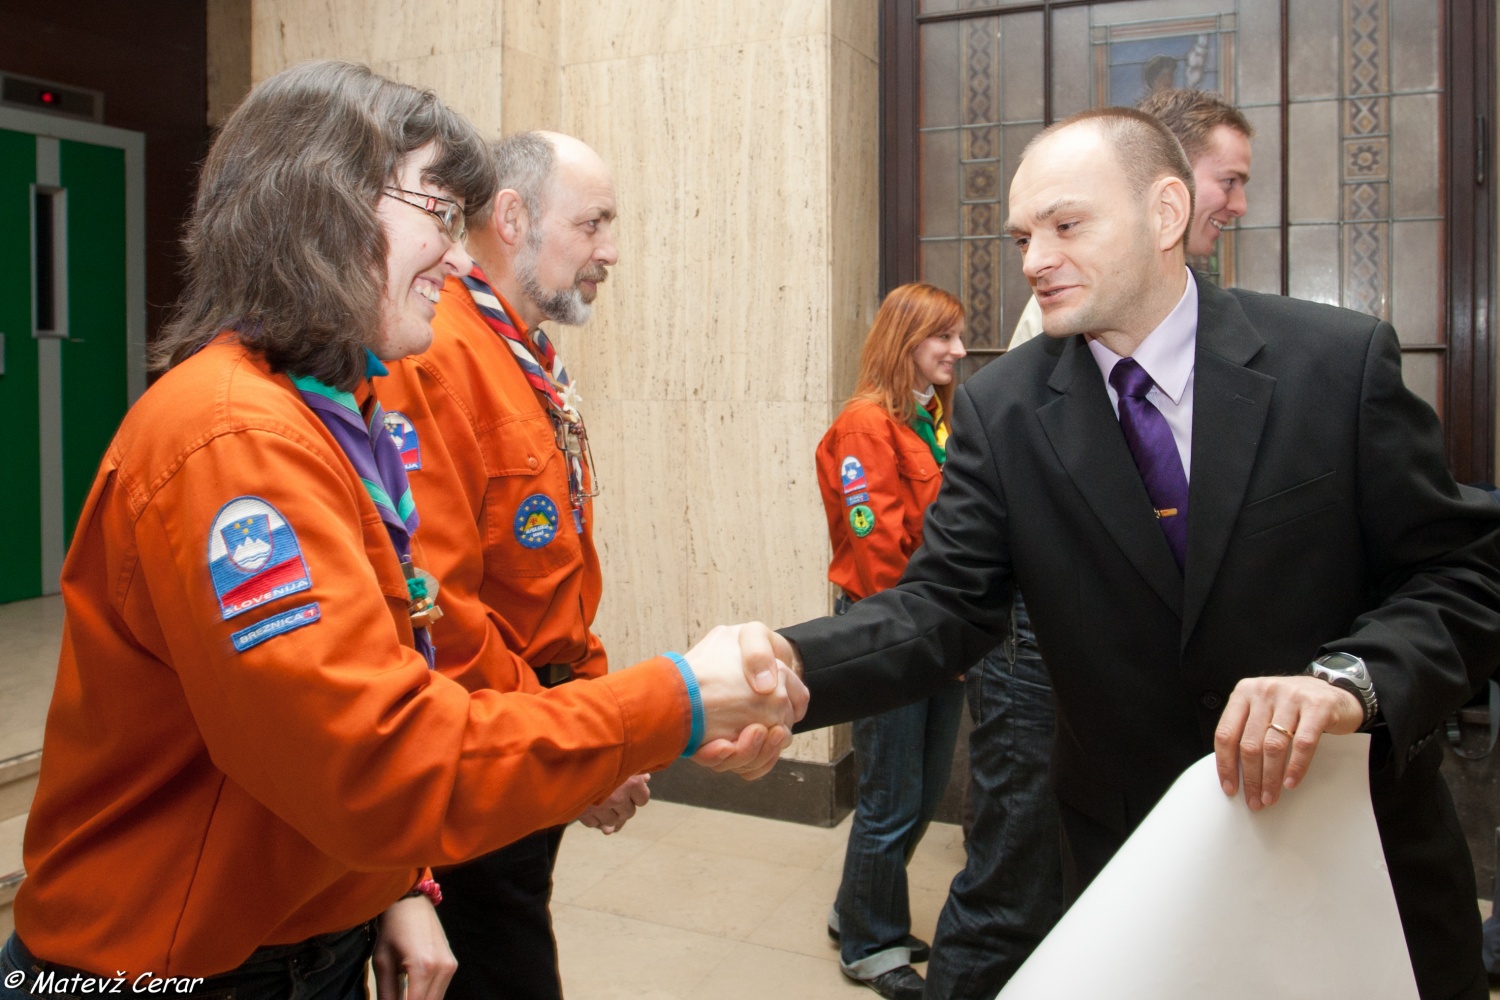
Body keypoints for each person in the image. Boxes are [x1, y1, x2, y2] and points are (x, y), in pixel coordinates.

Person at [2, 61, 802, 998]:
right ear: (322, 206)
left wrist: (397, 890)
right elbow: (375, 762)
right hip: (185, 966)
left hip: (310, 927)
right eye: (437, 212)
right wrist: (676, 698)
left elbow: (352, 695)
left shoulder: (337, 409)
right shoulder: (235, 442)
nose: (461, 260)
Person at [775, 107, 1500, 1000]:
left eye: (1066, 225)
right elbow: (943, 608)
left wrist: (1351, 681)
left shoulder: (1336, 364)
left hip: (1355, 854)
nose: (1035, 258)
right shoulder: (1003, 410)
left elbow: (1464, 575)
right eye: (1023, 235)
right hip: (1137, 868)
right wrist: (781, 667)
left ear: (1166, 214)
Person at [375, 130, 736, 1000]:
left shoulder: (521, 352)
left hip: (539, 723)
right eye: (594, 223)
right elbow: (445, 618)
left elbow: (552, 578)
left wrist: (592, 713)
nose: (610, 250)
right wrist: (585, 745)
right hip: (486, 747)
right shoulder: (436, 353)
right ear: (511, 217)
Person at [924, 89, 1258, 1000]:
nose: (1036, 261)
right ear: (1173, 196)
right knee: (1016, 879)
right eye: (1228, 180)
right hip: (1046, 649)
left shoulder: (1313, 362)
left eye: (1064, 225)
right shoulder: (1042, 363)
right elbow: (952, 592)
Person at [814, 284, 968, 1000]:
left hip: (929, 628)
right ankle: (871, 946)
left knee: (923, 785)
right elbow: (878, 553)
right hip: (892, 629)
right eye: (944, 337)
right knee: (891, 795)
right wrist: (925, 638)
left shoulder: (924, 422)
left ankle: (857, 912)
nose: (958, 351)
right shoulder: (865, 426)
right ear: (905, 339)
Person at [1009, 89, 1251, 349]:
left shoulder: (1289, 342)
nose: (1240, 207)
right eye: (1229, 181)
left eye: (1066, 226)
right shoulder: (1063, 302)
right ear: (1168, 203)